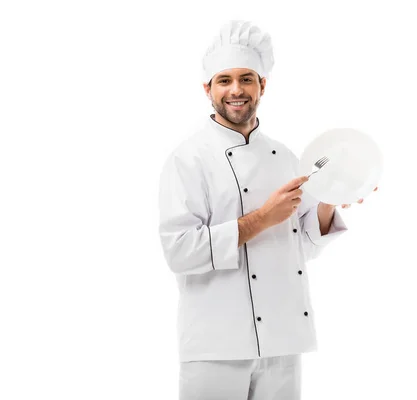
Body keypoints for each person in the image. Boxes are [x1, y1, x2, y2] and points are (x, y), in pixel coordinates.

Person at [158, 20, 377, 400]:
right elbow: (179, 251)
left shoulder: (286, 157)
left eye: (247, 78)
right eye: (224, 80)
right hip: (216, 345)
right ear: (207, 89)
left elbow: (300, 248)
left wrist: (329, 196)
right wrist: (263, 218)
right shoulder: (187, 160)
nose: (236, 90)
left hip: (282, 342)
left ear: (263, 85)